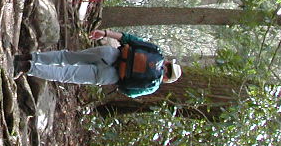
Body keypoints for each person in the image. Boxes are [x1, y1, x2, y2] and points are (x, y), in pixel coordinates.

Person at [14, 29, 180, 97]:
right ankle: (27, 68)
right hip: (110, 76)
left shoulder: (156, 52)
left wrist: (105, 33)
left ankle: (28, 58)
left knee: (67, 57)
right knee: (66, 74)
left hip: (110, 54)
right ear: (166, 79)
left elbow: (128, 39)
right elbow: (129, 92)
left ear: (167, 63)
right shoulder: (153, 85)